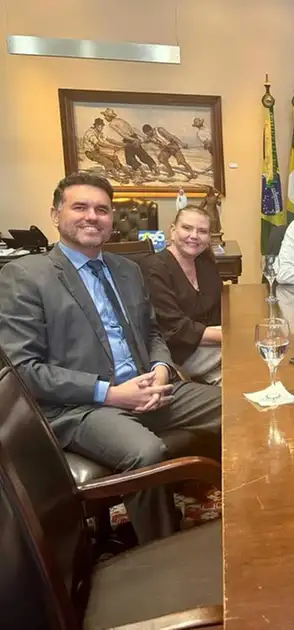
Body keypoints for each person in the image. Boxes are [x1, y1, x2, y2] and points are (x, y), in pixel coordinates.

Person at [0, 173, 221, 544]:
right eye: (80, 207)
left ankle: (248, 515)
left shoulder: (128, 270)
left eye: (102, 210)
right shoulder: (24, 276)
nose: (92, 216)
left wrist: (161, 369)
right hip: (82, 407)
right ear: (55, 215)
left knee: (238, 408)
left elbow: (152, 333)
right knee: (146, 452)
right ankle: (163, 552)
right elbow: (24, 371)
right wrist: (112, 393)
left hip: (149, 388)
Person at [145, 205, 222, 385]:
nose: (194, 236)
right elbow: (174, 329)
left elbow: (217, 310)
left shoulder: (205, 263)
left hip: (210, 348)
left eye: (202, 231)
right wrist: (230, 337)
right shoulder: (154, 268)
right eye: (187, 228)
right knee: (253, 348)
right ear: (173, 231)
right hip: (177, 354)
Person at [101, 107, 158, 175]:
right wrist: (141, 137)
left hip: (129, 139)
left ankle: (141, 171)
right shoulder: (120, 120)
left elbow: (123, 134)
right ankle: (154, 166)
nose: (105, 118)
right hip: (134, 136)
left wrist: (134, 140)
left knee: (129, 159)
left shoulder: (112, 124)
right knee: (142, 155)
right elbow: (133, 129)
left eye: (105, 116)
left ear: (109, 116)